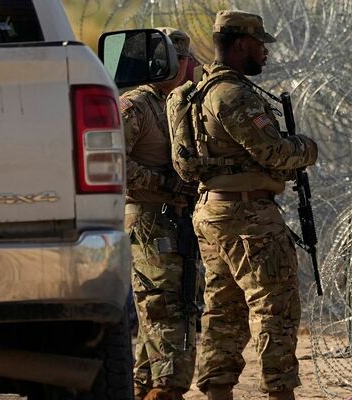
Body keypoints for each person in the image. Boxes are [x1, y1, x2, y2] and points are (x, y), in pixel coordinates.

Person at [188, 9, 318, 400]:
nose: (265, 53)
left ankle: (217, 391)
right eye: (261, 45)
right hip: (248, 218)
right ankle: (281, 393)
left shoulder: (200, 92)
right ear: (242, 43)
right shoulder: (233, 94)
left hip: (214, 210)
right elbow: (273, 153)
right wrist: (307, 149)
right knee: (274, 309)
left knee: (223, 312)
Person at [121, 27, 198, 400]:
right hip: (149, 218)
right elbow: (110, 164)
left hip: (173, 219)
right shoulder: (136, 105)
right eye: (185, 61)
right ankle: (166, 388)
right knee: (166, 312)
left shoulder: (174, 104)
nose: (192, 68)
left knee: (166, 311)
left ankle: (147, 386)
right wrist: (166, 184)